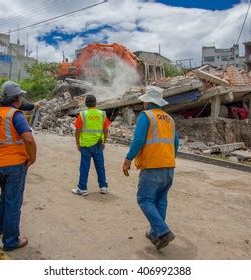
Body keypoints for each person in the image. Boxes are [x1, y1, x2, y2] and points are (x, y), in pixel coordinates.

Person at [0, 80, 37, 251]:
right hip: (14, 165)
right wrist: (32, 158)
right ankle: (11, 240)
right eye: (20, 96)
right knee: (13, 201)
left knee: (5, 196)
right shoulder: (16, 115)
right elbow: (28, 139)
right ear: (16, 98)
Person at [122, 86, 179, 250]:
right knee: (160, 200)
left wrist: (128, 159)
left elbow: (138, 140)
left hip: (153, 166)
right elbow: (175, 143)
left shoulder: (146, 116)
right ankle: (156, 234)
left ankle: (163, 231)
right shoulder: (170, 119)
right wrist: (168, 159)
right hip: (169, 166)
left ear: (147, 102)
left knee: (145, 199)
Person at [72, 94, 110, 196]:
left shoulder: (83, 114)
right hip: (98, 144)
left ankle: (82, 188)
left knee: (84, 167)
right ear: (95, 103)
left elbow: (78, 131)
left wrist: (77, 143)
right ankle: (103, 187)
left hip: (86, 145)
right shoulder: (102, 114)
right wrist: (104, 141)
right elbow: (106, 130)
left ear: (86, 103)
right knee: (100, 166)